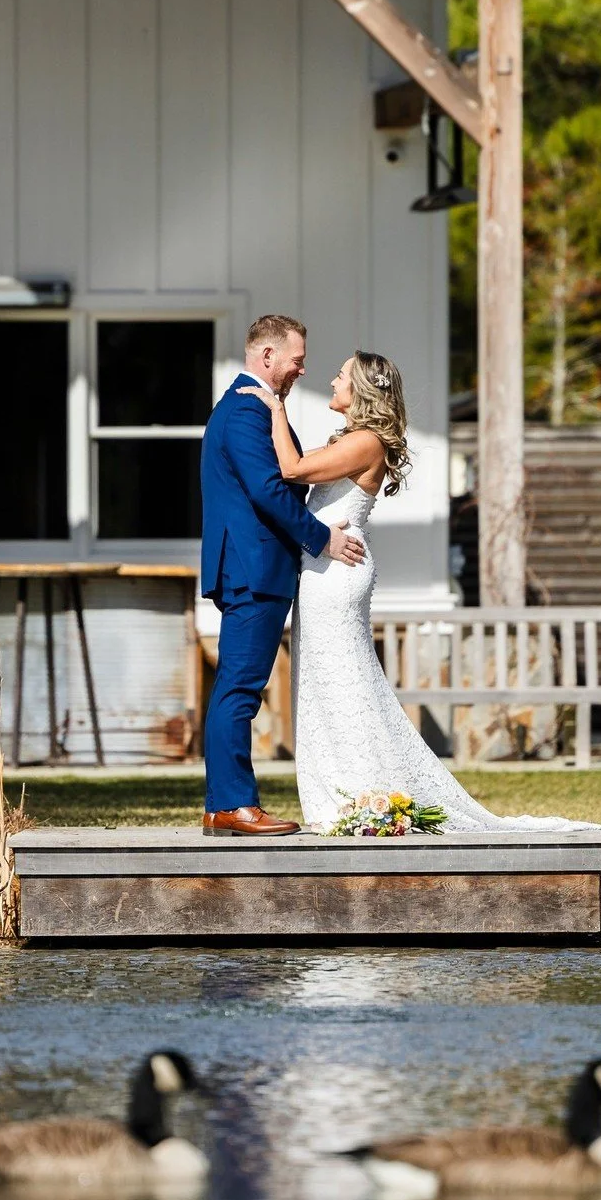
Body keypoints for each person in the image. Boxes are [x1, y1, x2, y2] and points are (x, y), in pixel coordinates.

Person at [241, 349, 596, 833]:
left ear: (361, 390)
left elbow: (293, 469)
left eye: (341, 376)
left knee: (347, 684)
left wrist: (276, 406)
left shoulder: (366, 442)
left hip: (338, 573)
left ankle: (363, 791)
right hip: (324, 568)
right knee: (330, 685)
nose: (331, 380)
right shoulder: (355, 438)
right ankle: (350, 793)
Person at [199, 315, 365, 836]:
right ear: (267, 357)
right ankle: (230, 803)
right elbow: (270, 491)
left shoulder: (252, 408)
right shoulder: (247, 411)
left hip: (257, 567)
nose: (301, 369)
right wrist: (323, 538)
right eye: (296, 360)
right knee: (240, 688)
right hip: (253, 569)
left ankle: (224, 804)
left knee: (240, 686)